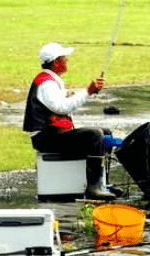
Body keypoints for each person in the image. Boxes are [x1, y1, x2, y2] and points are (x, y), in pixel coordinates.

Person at [23, 42, 116, 199]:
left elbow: (59, 102)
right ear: (56, 62)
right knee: (95, 135)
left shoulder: (51, 80)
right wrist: (88, 92)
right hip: (46, 138)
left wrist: (74, 94)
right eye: (64, 58)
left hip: (53, 134)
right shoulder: (47, 84)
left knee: (105, 133)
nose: (67, 61)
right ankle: (93, 188)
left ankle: (102, 183)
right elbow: (62, 107)